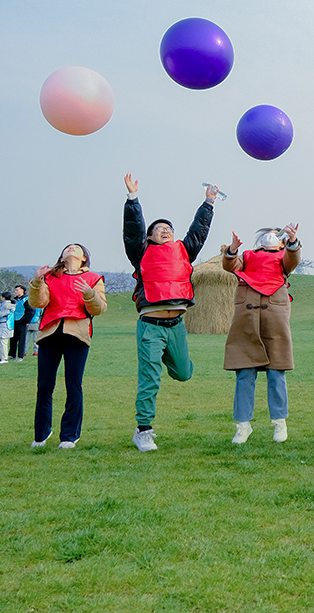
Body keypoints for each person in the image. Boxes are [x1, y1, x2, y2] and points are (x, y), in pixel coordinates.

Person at [123, 173, 218, 452]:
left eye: (169, 228)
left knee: (184, 373)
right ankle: (143, 430)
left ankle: (165, 354)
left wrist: (209, 202)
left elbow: (199, 231)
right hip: (150, 325)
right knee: (150, 377)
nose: (165, 230)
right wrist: (132, 199)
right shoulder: (140, 251)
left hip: (176, 325)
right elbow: (132, 229)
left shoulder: (184, 251)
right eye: (159, 228)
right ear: (150, 236)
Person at [221, 224, 301, 444]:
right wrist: (233, 249)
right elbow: (230, 265)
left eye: (276, 236)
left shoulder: (285, 256)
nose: (270, 237)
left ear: (282, 242)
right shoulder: (247, 256)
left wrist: (293, 243)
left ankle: (279, 423)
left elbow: (292, 261)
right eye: (268, 234)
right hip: (246, 320)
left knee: (276, 373)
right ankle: (243, 426)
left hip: (273, 318)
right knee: (244, 373)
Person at [28, 244, 107, 448]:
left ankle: (69, 436)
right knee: (44, 385)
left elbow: (99, 309)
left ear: (83, 258)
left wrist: (90, 293)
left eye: (76, 248)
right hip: (50, 333)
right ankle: (41, 434)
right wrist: (37, 282)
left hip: (77, 334)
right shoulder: (50, 277)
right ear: (62, 256)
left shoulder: (93, 279)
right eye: (68, 247)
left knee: (73, 385)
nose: (71, 249)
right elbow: (38, 303)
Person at [10, 284, 33, 361]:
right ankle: (12, 355)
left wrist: (27, 321)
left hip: (22, 322)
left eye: (17, 290)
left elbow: (31, 310)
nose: (15, 291)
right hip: (14, 321)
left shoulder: (26, 299)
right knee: (13, 339)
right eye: (15, 290)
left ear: (22, 291)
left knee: (21, 339)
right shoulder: (14, 300)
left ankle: (20, 356)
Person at [0, 291, 15, 364]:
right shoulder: (11, 305)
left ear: (4, 298)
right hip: (8, 325)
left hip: (3, 325)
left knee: (3, 343)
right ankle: (3, 357)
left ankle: (4, 358)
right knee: (4, 342)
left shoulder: (5, 305)